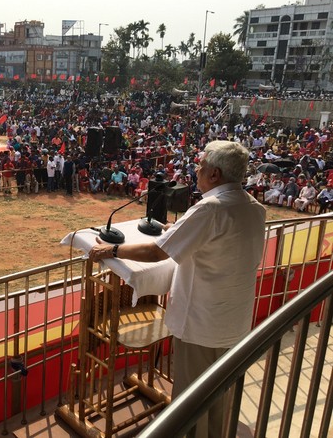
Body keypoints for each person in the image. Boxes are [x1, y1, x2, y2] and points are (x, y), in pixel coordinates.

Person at [89, 141, 266, 438]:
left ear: (215, 174)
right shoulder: (254, 207)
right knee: (223, 395)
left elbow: (158, 253)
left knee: (194, 400)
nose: (196, 169)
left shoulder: (210, 208)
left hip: (202, 324)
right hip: (234, 320)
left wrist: (113, 250)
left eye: (202, 165)